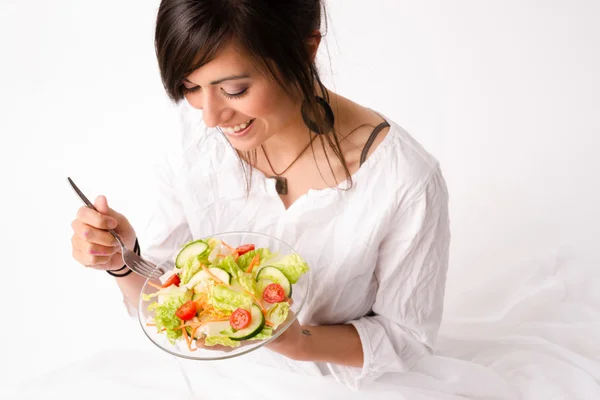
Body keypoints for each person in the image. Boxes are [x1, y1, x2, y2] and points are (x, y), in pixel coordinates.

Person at [69, 0, 450, 397]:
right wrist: (123, 262)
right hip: (202, 379)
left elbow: (407, 341)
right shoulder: (194, 138)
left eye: (235, 89)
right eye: (190, 87)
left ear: (306, 51)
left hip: (336, 386)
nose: (211, 117)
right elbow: (166, 297)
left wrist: (299, 342)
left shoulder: (404, 179)